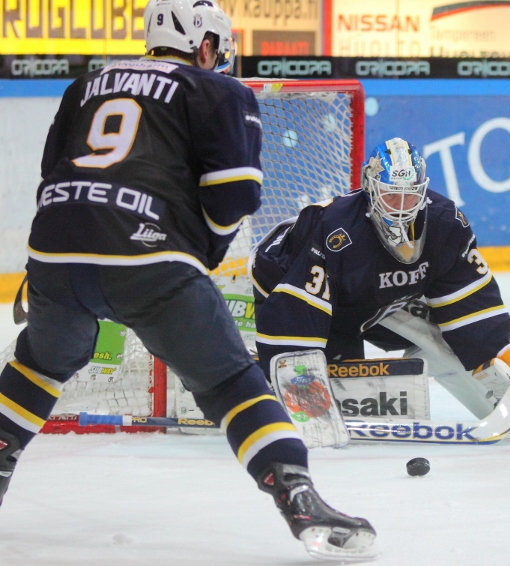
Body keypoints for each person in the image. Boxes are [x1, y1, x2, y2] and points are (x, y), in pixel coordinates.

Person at [0, 0, 379, 560]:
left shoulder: (86, 85)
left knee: (38, 364)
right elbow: (234, 196)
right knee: (230, 383)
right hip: (150, 267)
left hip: (53, 255)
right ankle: (296, 493)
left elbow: (53, 176)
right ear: (206, 46)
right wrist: (195, 255)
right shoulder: (218, 90)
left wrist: (54, 265)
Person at [251, 137, 510, 440]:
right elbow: (296, 312)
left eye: (412, 194)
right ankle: (250, 376)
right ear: (371, 189)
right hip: (292, 284)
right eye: (392, 194)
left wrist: (500, 361)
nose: (402, 206)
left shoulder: (444, 222)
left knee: (453, 333)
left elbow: (473, 302)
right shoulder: (335, 232)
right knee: (330, 392)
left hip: (377, 296)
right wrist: (295, 378)